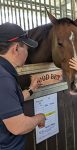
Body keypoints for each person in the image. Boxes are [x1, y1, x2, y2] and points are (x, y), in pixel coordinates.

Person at [0, 22, 46, 150]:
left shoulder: (3, 72)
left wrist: (31, 89)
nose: (27, 53)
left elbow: (9, 102)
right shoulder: (3, 78)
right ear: (16, 48)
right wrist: (40, 118)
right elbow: (18, 127)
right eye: (26, 48)